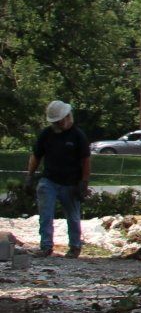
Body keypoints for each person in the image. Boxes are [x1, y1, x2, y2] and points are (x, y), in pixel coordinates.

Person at [25, 101, 88, 258]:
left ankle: (74, 247)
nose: (60, 124)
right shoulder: (46, 135)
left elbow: (86, 160)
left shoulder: (78, 136)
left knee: (73, 217)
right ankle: (46, 246)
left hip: (71, 183)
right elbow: (36, 156)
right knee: (45, 215)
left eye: (61, 120)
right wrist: (29, 176)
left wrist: (83, 182)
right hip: (49, 181)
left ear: (67, 117)